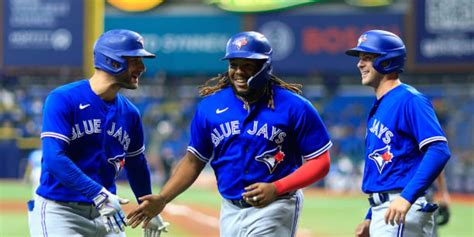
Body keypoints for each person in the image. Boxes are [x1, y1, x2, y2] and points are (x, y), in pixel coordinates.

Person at [127, 31, 333, 236]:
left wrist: (277, 187)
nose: (239, 72)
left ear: (264, 67)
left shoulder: (295, 107)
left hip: (276, 205)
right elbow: (193, 161)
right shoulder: (210, 107)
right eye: (234, 64)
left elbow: (321, 162)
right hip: (230, 209)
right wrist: (163, 198)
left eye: (247, 65)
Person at [28, 29, 168, 237]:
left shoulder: (130, 113)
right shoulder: (63, 98)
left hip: (107, 213)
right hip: (61, 212)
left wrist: (147, 206)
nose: (142, 68)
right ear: (113, 62)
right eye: (135, 60)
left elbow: (136, 164)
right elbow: (53, 158)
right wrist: (97, 193)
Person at [346, 30, 451, 237]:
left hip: (400, 207)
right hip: (386, 209)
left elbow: (439, 149)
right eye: (360, 59)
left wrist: (406, 197)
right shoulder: (381, 105)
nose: (360, 64)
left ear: (387, 62)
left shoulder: (410, 99)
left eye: (367, 58)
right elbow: (388, 171)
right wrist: (370, 215)